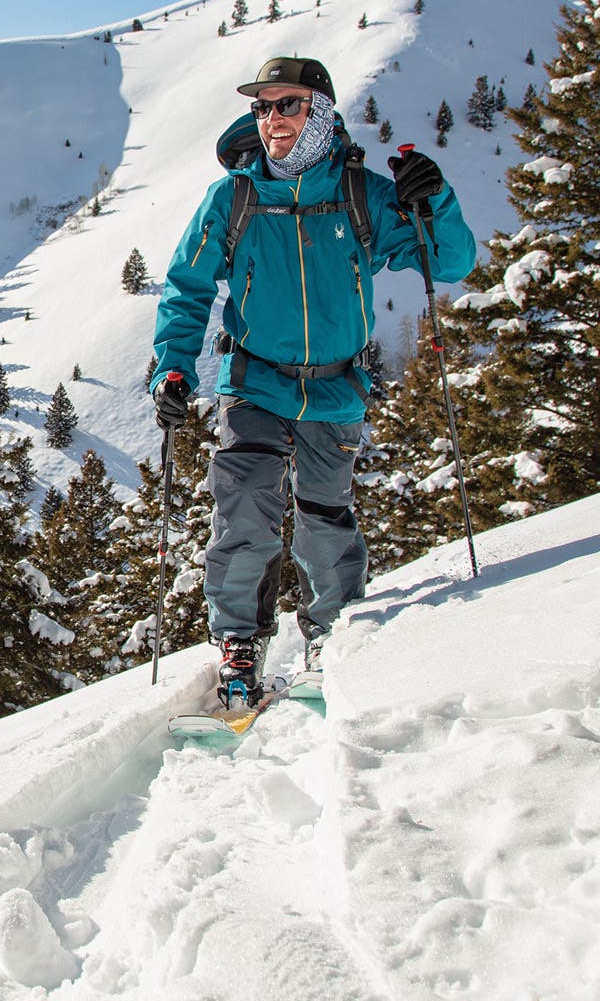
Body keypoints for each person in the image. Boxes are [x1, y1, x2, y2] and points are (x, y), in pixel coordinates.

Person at [149, 56, 476, 703]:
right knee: (244, 505)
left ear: (321, 112)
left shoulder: (362, 195)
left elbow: (451, 259)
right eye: (263, 107)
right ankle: (239, 641)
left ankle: (333, 631)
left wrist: (433, 198)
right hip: (255, 380)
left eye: (287, 104)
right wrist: (174, 367)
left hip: (335, 383)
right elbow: (185, 287)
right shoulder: (234, 197)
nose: (271, 118)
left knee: (326, 513)